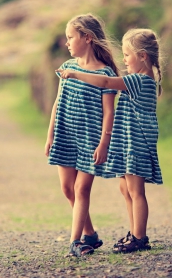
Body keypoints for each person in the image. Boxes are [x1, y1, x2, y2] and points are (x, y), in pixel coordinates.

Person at [57, 28, 164, 253]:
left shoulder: (139, 80)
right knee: (126, 189)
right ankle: (134, 232)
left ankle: (139, 237)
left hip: (136, 144)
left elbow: (106, 82)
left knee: (136, 192)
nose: (123, 60)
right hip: (129, 144)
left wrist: (76, 74)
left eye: (127, 55)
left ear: (142, 56)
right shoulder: (143, 79)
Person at [45, 13, 119, 257]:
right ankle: (90, 235)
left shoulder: (106, 74)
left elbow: (109, 113)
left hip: (90, 140)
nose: (66, 43)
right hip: (66, 135)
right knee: (68, 189)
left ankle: (75, 242)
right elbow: (57, 102)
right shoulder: (66, 68)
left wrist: (104, 143)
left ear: (87, 38)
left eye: (70, 37)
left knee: (81, 189)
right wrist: (50, 134)